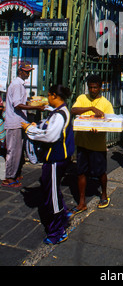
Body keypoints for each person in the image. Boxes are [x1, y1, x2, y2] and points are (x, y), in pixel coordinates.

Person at [22, 84, 74, 245]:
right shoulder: (60, 111)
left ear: (53, 96)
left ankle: (58, 231)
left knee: (51, 197)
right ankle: (64, 214)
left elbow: (50, 136)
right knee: (50, 187)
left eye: (48, 96)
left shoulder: (59, 114)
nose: (47, 99)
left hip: (55, 159)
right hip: (58, 159)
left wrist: (29, 130)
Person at [71, 74, 114, 213]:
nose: (93, 90)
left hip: (97, 144)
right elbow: (73, 110)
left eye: (95, 87)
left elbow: (110, 123)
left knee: (100, 172)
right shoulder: (82, 98)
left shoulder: (106, 103)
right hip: (82, 142)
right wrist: (91, 109)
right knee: (81, 172)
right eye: (90, 87)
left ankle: (104, 194)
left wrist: (100, 129)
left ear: (100, 88)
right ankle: (82, 202)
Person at [1, 63, 44, 188]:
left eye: (29, 71)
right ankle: (9, 177)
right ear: (20, 72)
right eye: (26, 71)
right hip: (14, 122)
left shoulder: (19, 85)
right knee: (13, 150)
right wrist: (36, 107)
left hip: (18, 122)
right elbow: (17, 105)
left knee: (17, 150)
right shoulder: (17, 85)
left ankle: (14, 173)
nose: (28, 74)